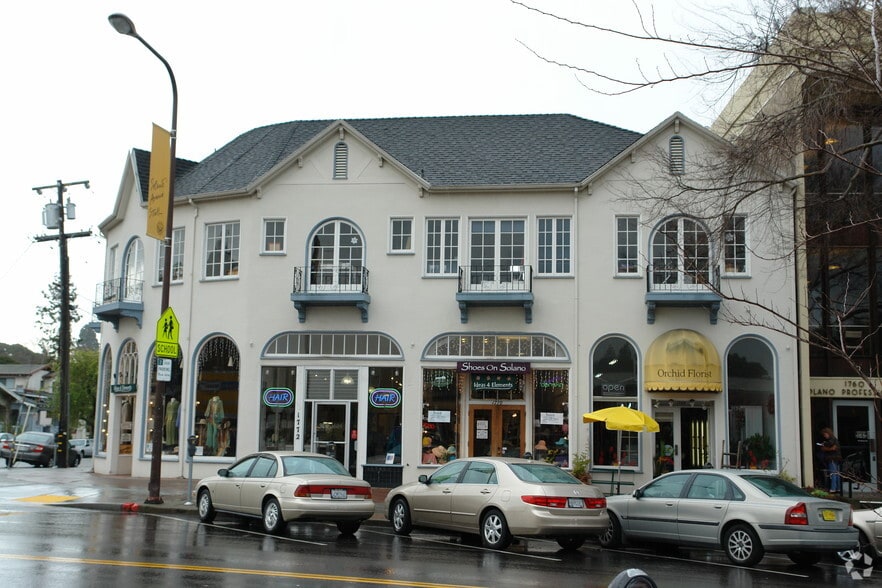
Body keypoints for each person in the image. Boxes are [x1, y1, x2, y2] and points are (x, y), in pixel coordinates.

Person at [819, 427, 842, 494]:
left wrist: (823, 444)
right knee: (837, 473)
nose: (824, 436)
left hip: (832, 458)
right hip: (836, 458)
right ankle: (838, 488)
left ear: (828, 433)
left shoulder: (831, 440)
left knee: (833, 473)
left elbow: (830, 445)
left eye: (825, 434)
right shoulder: (834, 439)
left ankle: (833, 488)